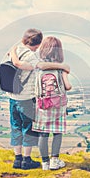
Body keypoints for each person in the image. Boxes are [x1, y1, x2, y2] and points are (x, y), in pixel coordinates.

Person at [8, 29, 70, 170]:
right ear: (37, 44)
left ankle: (17, 159)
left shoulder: (16, 51)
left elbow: (16, 63)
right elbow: (41, 66)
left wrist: (12, 50)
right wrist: (63, 67)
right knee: (28, 129)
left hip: (12, 97)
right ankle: (26, 160)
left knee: (16, 127)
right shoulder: (32, 57)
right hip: (26, 99)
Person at [32, 37, 72, 170]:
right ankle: (55, 160)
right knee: (57, 133)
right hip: (58, 106)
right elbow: (68, 86)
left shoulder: (38, 68)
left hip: (43, 106)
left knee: (43, 134)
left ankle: (45, 163)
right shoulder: (61, 69)